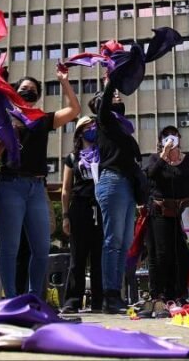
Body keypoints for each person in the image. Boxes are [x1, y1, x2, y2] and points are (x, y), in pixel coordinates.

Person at [0, 70, 80, 299]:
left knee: (41, 248)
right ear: (15, 92)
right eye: (23, 88)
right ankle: (11, 298)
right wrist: (5, 137)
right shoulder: (5, 116)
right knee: (9, 247)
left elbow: (74, 111)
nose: (28, 91)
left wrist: (64, 82)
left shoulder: (42, 118)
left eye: (32, 89)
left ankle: (33, 298)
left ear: (38, 95)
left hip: (36, 188)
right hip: (10, 184)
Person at [91, 81, 142, 314]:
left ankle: (116, 294)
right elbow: (103, 106)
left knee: (124, 243)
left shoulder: (122, 126)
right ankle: (109, 295)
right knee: (112, 242)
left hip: (127, 185)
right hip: (112, 182)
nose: (118, 96)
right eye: (113, 95)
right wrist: (111, 82)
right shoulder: (104, 121)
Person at [144, 125, 189, 316]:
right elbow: (150, 174)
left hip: (183, 212)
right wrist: (164, 154)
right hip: (161, 211)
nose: (171, 139)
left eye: (174, 136)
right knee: (162, 254)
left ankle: (181, 294)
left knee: (183, 254)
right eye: (167, 136)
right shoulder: (155, 159)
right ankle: (163, 295)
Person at [60, 116, 103, 313]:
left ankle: (98, 302)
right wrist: (65, 216)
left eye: (93, 125)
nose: (91, 129)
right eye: (87, 127)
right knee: (77, 257)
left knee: (98, 257)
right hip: (79, 208)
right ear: (79, 132)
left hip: (101, 207)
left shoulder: (104, 153)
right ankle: (72, 301)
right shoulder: (72, 158)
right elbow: (66, 189)